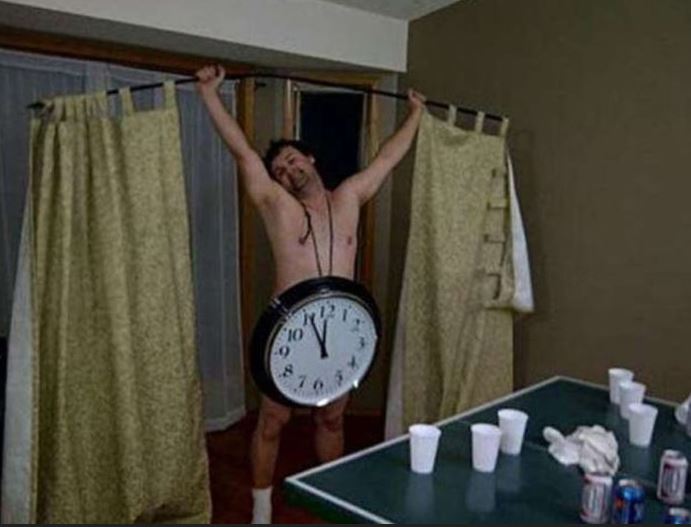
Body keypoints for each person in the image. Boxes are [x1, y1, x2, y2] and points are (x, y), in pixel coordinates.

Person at [196, 64, 425, 524]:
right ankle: (261, 509)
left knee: (331, 419)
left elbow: (386, 159)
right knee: (272, 422)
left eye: (292, 160)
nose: (287, 170)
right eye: (280, 170)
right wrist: (209, 95)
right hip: (288, 333)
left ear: (311, 159)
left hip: (343, 330)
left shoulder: (350, 197)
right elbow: (243, 153)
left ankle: (331, 494)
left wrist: (416, 113)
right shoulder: (278, 206)